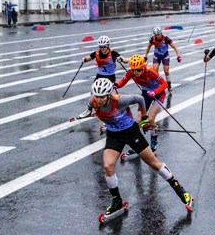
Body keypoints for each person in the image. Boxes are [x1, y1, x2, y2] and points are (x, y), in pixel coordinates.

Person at [87, 77, 193, 218]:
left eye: (102, 97)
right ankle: (117, 201)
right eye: (97, 96)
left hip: (131, 132)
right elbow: (90, 108)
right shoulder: (93, 101)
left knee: (153, 163)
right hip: (113, 135)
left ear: (109, 95)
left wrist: (144, 118)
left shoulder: (120, 100)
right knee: (108, 165)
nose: (99, 99)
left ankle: (182, 191)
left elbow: (140, 99)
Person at [115, 54, 168, 152]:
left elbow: (165, 84)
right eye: (134, 70)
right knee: (139, 119)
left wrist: (155, 92)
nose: (136, 72)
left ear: (143, 67)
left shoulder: (150, 72)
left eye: (138, 70)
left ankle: (154, 138)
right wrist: (116, 85)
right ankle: (137, 143)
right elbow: (123, 81)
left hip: (158, 94)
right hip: (146, 94)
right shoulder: (131, 73)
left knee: (150, 118)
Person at [76, 36, 125, 120]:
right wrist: (84, 59)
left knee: (109, 95)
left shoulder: (113, 53)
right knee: (93, 92)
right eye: (101, 47)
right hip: (99, 75)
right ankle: (89, 110)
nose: (102, 48)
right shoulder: (97, 53)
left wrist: (121, 59)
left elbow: (124, 59)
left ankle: (112, 113)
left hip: (110, 76)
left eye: (104, 46)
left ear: (108, 46)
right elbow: (89, 58)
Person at [144, 26, 182, 92]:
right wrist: (145, 56)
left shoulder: (166, 38)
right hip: (157, 55)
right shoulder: (153, 39)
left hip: (165, 55)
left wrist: (178, 56)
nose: (157, 36)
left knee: (166, 71)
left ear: (161, 33)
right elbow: (148, 47)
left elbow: (175, 47)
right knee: (155, 71)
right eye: (155, 35)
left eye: (158, 34)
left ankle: (169, 85)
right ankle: (156, 86)